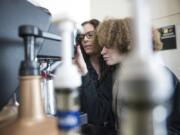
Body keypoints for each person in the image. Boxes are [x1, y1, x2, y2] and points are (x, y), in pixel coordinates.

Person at [96, 17, 180, 134]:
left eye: (108, 45)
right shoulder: (120, 77)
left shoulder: (162, 77)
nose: (102, 51)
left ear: (126, 42)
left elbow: (176, 128)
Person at [74, 19, 116, 134]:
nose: (85, 40)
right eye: (82, 37)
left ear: (100, 35)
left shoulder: (112, 66)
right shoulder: (79, 68)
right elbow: (91, 113)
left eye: (90, 35)